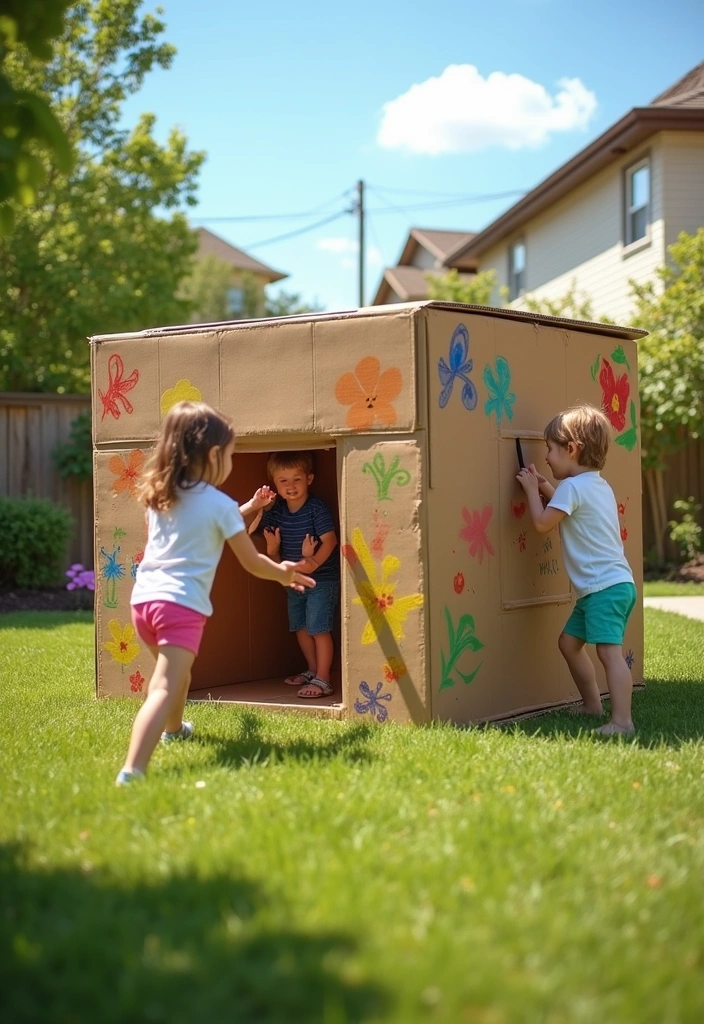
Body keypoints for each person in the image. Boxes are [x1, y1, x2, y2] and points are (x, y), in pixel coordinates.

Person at [116, 402, 315, 785]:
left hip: (143, 602)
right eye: (229, 454)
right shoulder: (220, 505)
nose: (231, 462)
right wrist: (282, 572)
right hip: (180, 607)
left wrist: (250, 507)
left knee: (177, 677)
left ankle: (176, 731)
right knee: (164, 685)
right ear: (212, 455)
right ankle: (133, 770)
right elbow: (253, 562)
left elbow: (206, 519)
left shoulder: (163, 495)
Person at [516, 403, 637, 736]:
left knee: (609, 653)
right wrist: (544, 487)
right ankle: (592, 705)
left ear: (572, 449)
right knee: (569, 644)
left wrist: (530, 491)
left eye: (551, 451)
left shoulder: (573, 488)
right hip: (610, 586)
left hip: (603, 589)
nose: (547, 458)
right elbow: (567, 506)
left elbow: (543, 522)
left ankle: (622, 722)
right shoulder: (596, 485)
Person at [255, 451, 340, 699]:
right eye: (283, 481)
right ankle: (312, 670)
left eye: (297, 479)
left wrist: (312, 561)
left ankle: (324, 678)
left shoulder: (316, 508)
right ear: (275, 484)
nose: (291, 486)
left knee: (318, 628)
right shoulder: (278, 511)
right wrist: (261, 503)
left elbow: (330, 540)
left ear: (309, 479)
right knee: (300, 627)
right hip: (293, 581)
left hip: (321, 579)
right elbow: (251, 528)